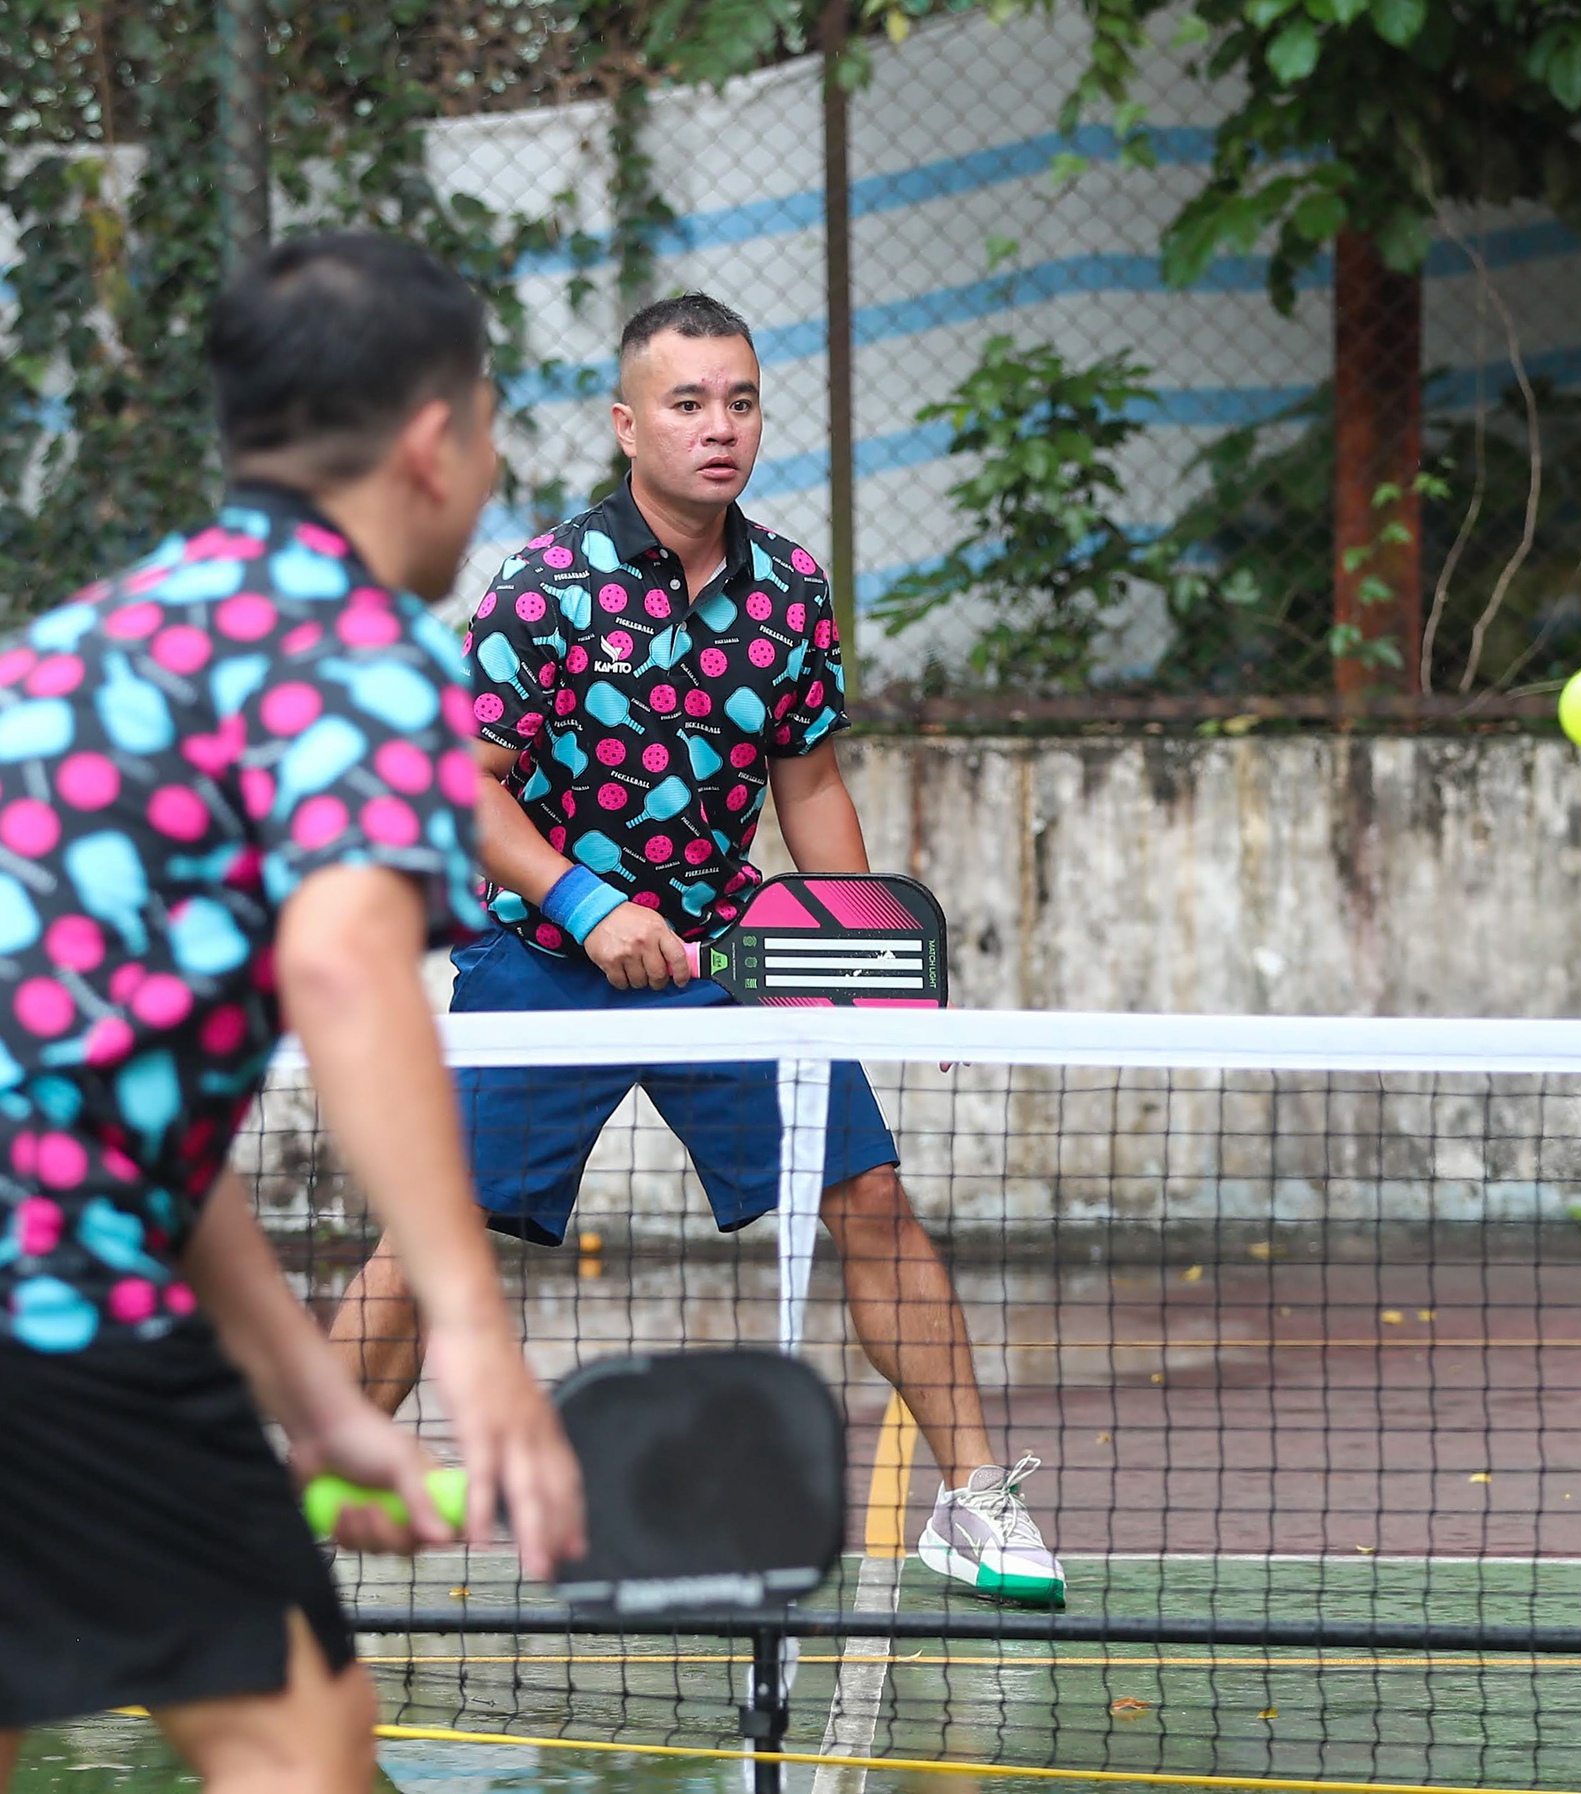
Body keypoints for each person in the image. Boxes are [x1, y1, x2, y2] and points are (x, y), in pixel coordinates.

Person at [324, 291, 1065, 1607]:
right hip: (548, 959)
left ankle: (973, 1498)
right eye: (686, 403)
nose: (719, 428)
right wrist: (591, 909)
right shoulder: (547, 589)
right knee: (431, 1235)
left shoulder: (788, 589)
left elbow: (811, 785)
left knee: (873, 1198)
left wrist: (861, 958)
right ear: (627, 424)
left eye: (739, 400)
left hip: (730, 957)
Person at [0, 234, 585, 1791]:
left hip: (61, 1256)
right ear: (432, 444)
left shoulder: (72, 651)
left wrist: (320, 1405)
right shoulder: (365, 645)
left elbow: (120, 1124)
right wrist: (470, 1330)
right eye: (491, 421)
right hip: (46, 1305)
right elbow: (343, 963)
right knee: (300, 1745)